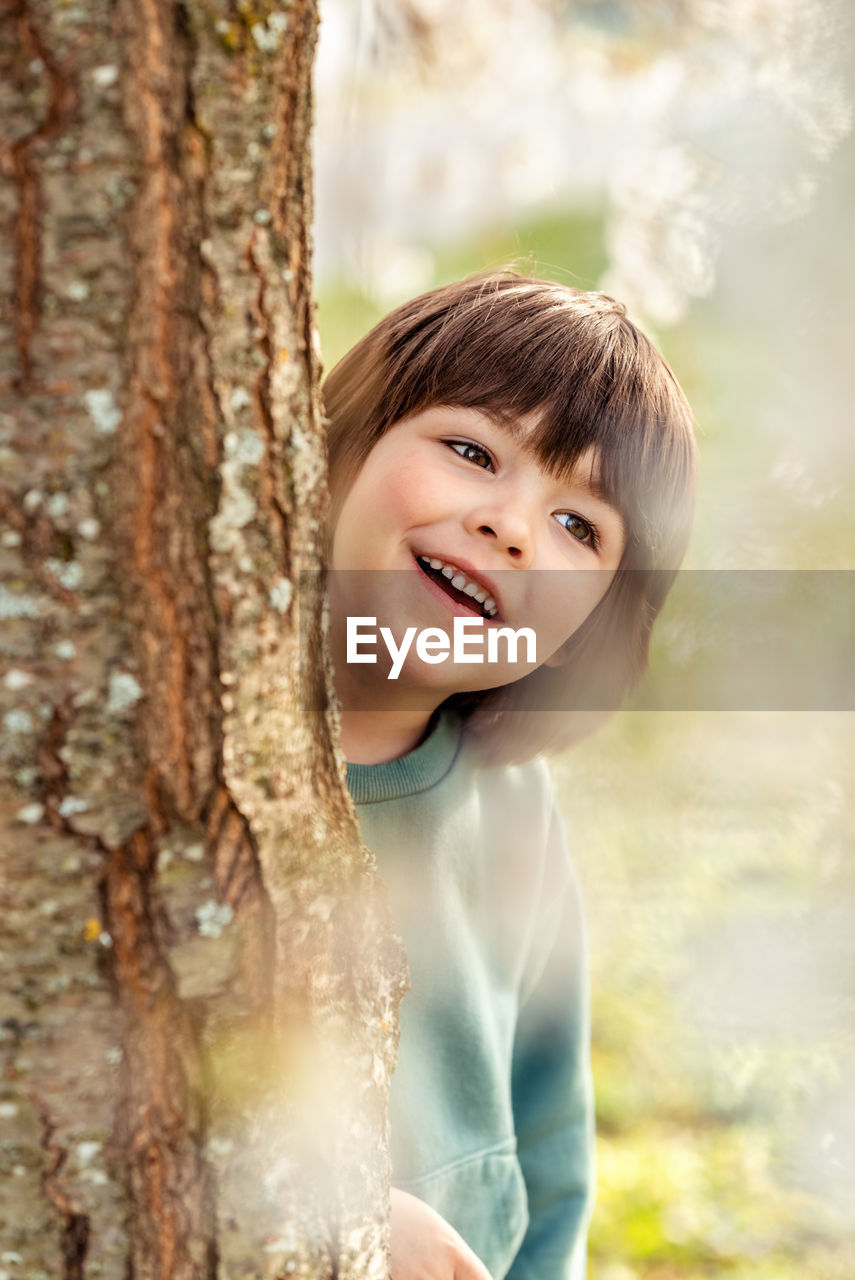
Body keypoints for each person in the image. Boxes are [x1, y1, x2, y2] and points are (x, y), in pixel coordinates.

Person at [321, 272, 696, 1280]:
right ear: (339, 446)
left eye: (581, 526)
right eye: (473, 451)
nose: (513, 526)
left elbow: (551, 1156)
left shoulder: (518, 818)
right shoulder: (180, 749)